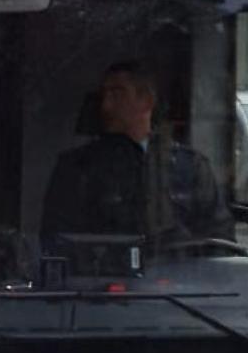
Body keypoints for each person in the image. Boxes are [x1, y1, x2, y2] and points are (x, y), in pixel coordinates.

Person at [41, 60, 235, 258]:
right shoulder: (79, 167)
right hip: (103, 282)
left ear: (147, 101)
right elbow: (57, 243)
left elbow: (221, 241)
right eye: (104, 96)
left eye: (117, 94)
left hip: (181, 281)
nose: (106, 106)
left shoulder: (191, 167)